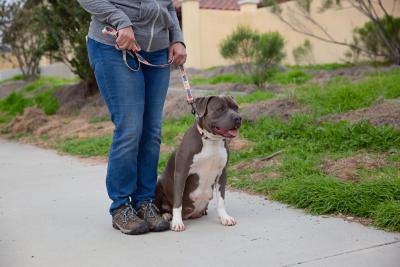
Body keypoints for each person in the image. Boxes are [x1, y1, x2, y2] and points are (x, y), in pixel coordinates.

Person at [78, 0, 187, 235]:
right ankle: (120, 206)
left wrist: (177, 37)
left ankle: (145, 201)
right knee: (130, 129)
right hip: (114, 44)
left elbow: (167, 5)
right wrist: (121, 21)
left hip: (158, 50)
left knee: (152, 131)